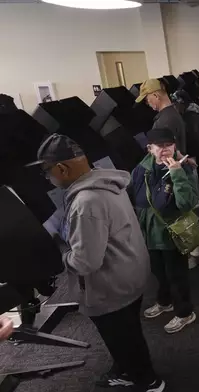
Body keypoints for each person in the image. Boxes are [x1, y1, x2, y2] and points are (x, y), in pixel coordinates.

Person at [36, 133, 165, 391]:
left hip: (111, 285)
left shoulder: (86, 202)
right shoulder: (105, 180)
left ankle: (148, 382)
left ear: (62, 168)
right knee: (128, 332)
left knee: (122, 337)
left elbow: (85, 262)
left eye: (47, 173)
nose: (48, 179)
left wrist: (61, 254)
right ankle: (128, 369)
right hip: (129, 272)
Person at [129, 128, 199, 334]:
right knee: (158, 272)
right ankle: (164, 302)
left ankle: (185, 313)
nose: (165, 150)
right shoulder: (141, 169)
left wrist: (177, 173)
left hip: (172, 233)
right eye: (160, 146)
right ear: (150, 148)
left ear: (175, 146)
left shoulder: (183, 169)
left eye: (169, 145)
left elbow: (187, 203)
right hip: (148, 233)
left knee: (176, 275)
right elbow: (135, 197)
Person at [173, 89, 199, 208]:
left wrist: (189, 154)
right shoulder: (195, 111)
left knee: (196, 174)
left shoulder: (188, 117)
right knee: (198, 173)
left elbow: (193, 137)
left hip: (197, 149)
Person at [136, 79, 187, 155]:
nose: (147, 103)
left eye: (147, 99)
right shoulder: (174, 111)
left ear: (156, 96)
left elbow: (161, 155)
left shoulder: (163, 122)